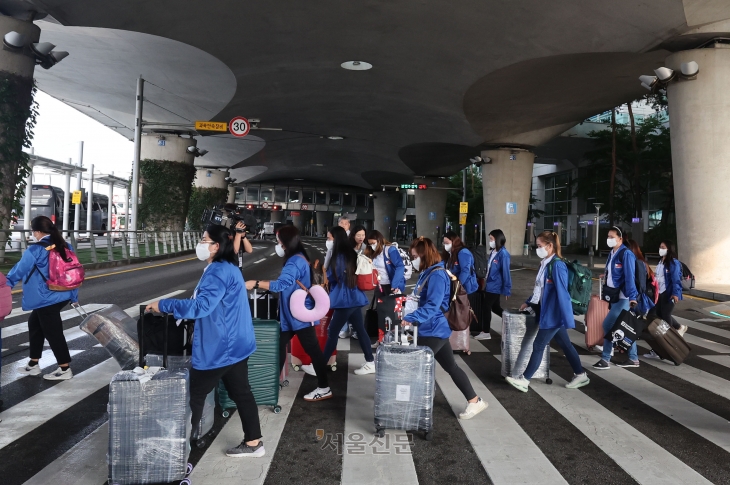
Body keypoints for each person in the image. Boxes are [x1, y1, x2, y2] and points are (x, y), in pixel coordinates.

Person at [145, 225, 264, 458]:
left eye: (204, 240)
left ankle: (179, 449)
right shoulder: (229, 267)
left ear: (216, 246)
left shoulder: (218, 271)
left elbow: (201, 307)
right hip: (237, 343)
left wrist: (164, 305)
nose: (200, 244)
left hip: (221, 347)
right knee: (242, 392)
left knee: (193, 394)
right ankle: (253, 443)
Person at [402, 237, 487, 419]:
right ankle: (474, 400)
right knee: (451, 367)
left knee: (418, 366)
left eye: (415, 256)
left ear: (424, 255)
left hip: (433, 330)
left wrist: (411, 317)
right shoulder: (428, 272)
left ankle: (418, 405)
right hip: (432, 328)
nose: (413, 259)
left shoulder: (438, 275)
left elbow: (433, 306)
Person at [244, 226, 331, 401]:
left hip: (298, 316)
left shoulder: (294, 262)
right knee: (278, 346)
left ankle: (324, 387)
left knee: (313, 351)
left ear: (285, 242)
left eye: (279, 241)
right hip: (290, 317)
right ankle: (270, 383)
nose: (278, 245)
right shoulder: (299, 258)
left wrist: (256, 283)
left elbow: (281, 285)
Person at [505, 231, 590, 392]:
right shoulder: (545, 263)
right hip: (548, 312)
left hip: (553, 314)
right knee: (565, 344)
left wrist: (565, 317)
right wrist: (529, 301)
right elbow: (540, 288)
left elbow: (562, 292)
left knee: (538, 345)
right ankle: (580, 374)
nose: (537, 249)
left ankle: (524, 379)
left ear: (550, 246)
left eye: (539, 246)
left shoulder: (557, 265)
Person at [7, 216, 79, 381]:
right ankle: (33, 364)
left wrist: (6, 283)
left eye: (33, 231)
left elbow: (20, 269)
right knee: (35, 323)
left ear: (37, 231)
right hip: (62, 295)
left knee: (53, 332)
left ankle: (64, 368)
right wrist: (73, 296)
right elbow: (73, 272)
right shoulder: (65, 245)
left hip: (45, 297)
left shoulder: (36, 250)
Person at [321, 226, 375, 374]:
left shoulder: (338, 256)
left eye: (329, 238)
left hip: (345, 299)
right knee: (360, 329)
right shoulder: (351, 253)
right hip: (354, 296)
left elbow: (332, 276)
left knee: (333, 331)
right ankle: (370, 361)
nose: (328, 241)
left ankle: (321, 365)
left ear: (336, 239)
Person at [593, 226, 640, 370]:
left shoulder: (626, 254)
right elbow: (612, 272)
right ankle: (633, 358)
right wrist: (606, 277)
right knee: (622, 327)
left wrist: (632, 297)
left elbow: (630, 277)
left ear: (620, 239)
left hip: (624, 297)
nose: (609, 239)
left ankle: (605, 358)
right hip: (613, 296)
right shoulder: (612, 253)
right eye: (608, 236)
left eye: (612, 237)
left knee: (608, 325)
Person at [645, 240, 686, 359]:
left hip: (668, 294)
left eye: (663, 247)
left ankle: (668, 344)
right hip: (659, 294)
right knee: (658, 315)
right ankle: (677, 328)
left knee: (665, 317)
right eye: (660, 246)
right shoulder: (660, 262)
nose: (660, 249)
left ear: (669, 249)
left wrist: (675, 294)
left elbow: (676, 280)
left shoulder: (673, 263)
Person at [365, 230, 406, 348]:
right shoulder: (373, 252)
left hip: (392, 287)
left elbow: (400, 266)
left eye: (373, 243)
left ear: (379, 240)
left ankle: (394, 340)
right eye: (370, 244)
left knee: (394, 314)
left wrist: (395, 284)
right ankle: (381, 340)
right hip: (380, 286)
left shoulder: (390, 250)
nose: (372, 246)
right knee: (381, 314)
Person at [475, 229, 512, 341]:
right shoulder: (494, 252)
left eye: (491, 239)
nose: (490, 241)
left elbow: (506, 273)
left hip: (496, 285)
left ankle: (486, 332)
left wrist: (507, 289)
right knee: (495, 308)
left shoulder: (504, 254)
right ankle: (511, 321)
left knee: (486, 307)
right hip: (490, 284)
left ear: (498, 239)